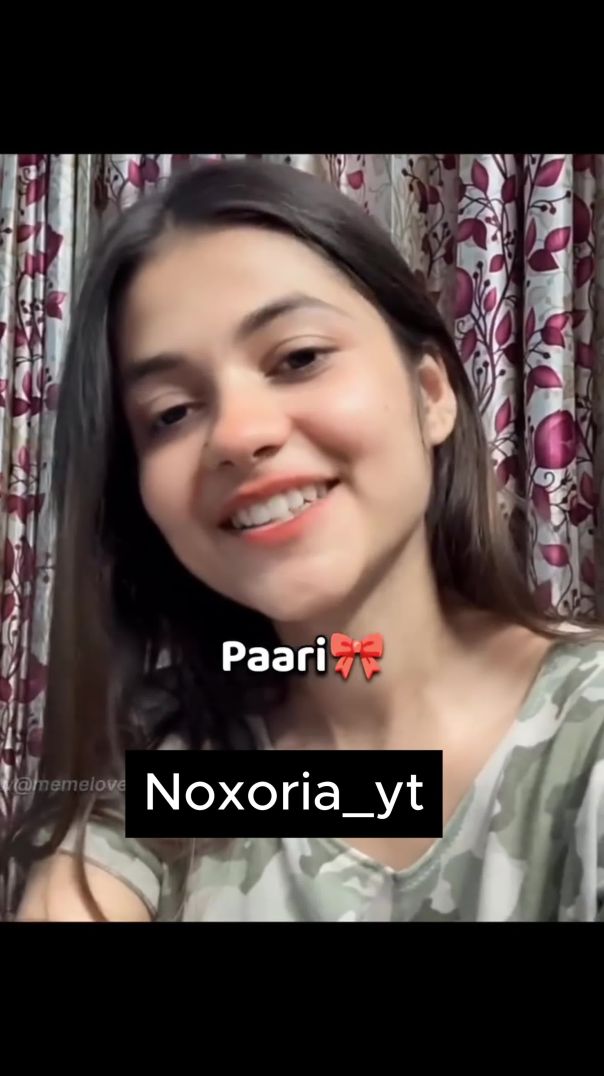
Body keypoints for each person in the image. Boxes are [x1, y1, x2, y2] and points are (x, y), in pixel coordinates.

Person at [8, 159, 604, 923]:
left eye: (298, 358)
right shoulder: (172, 761)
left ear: (430, 395)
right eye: (171, 412)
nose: (238, 436)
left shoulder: (585, 733)